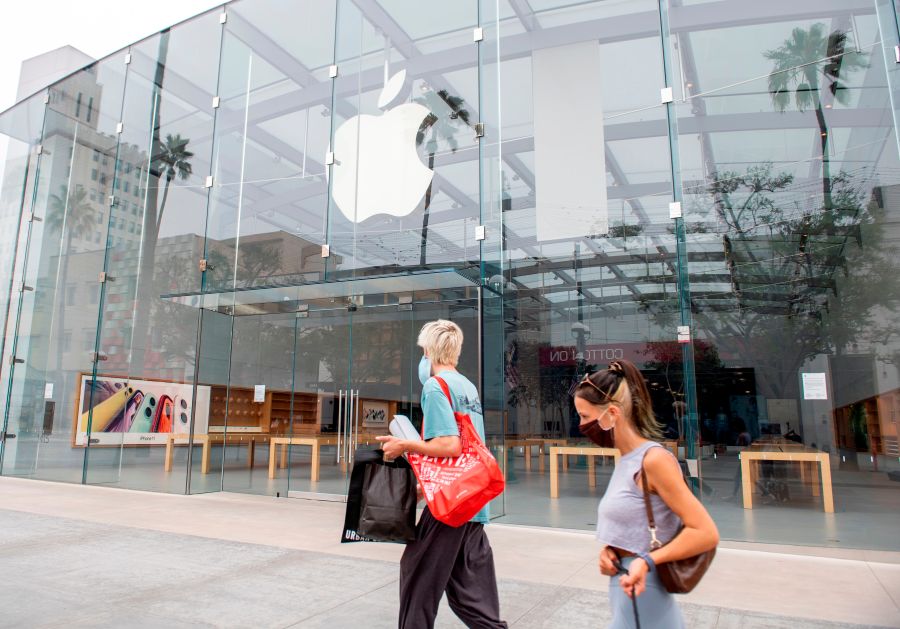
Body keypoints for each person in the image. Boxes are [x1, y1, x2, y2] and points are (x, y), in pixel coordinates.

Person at [377, 319, 508, 629]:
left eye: (422, 351)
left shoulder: (436, 386)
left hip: (452, 505)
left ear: (429, 351)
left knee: (417, 573)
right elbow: (467, 448)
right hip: (473, 500)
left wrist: (404, 444)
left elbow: (449, 444)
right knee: (469, 590)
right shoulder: (467, 386)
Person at [573, 360, 719, 628]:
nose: (581, 425)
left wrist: (646, 561)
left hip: (644, 588)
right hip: (626, 583)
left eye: (584, 416)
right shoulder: (626, 460)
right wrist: (611, 550)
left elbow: (705, 532)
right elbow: (635, 524)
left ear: (612, 413)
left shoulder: (653, 460)